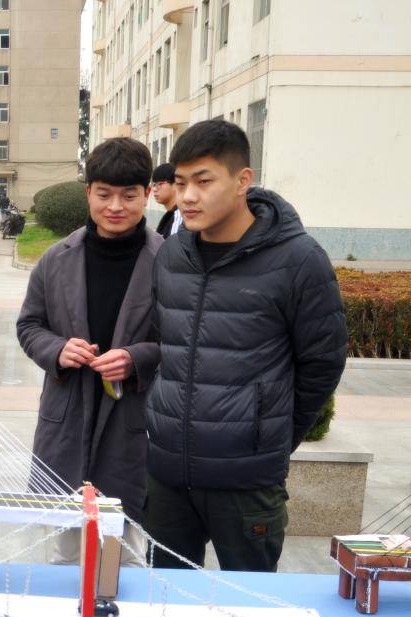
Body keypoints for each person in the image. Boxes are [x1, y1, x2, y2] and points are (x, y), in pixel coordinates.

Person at [146, 120, 348, 572]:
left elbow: (322, 364)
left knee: (251, 604)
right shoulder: (172, 255)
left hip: (246, 484)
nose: (188, 196)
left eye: (203, 181)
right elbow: (166, 346)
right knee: (165, 600)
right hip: (168, 476)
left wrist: (268, 438)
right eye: (181, 182)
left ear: (242, 181)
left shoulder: (299, 260)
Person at [17, 137, 162, 567]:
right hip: (67, 419)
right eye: (104, 194)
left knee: (126, 557)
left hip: (132, 422)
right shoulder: (55, 260)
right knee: (64, 557)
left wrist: (138, 359)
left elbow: (187, 340)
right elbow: (29, 326)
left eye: (128, 195)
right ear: (88, 193)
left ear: (147, 194)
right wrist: (57, 349)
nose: (115, 206)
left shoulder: (169, 260)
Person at [152, 162, 183, 239]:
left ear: (175, 184)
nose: (154, 189)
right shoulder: (169, 215)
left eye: (160, 184)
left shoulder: (180, 215)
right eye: (154, 184)